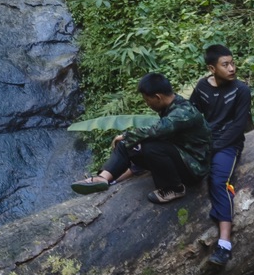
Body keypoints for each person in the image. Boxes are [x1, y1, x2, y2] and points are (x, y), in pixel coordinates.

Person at [71, 73, 212, 204]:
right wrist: (126, 139)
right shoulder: (171, 107)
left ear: (158, 97)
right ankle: (103, 178)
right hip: (177, 157)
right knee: (127, 144)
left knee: (150, 146)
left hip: (194, 167)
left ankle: (175, 189)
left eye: (147, 100)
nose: (147, 104)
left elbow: (158, 130)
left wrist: (126, 135)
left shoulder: (183, 113)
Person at [190, 44, 252, 267]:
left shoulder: (241, 90)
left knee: (218, 181)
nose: (232, 68)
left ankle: (224, 245)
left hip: (228, 145)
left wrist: (214, 147)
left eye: (233, 63)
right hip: (203, 142)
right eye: (225, 65)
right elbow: (191, 114)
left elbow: (238, 127)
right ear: (212, 68)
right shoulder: (202, 88)